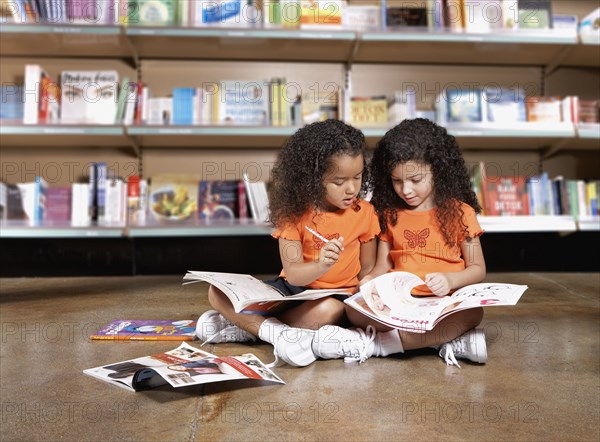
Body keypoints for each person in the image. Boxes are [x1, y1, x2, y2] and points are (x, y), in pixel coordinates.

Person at [196, 119, 390, 367]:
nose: (351, 189)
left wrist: (369, 290)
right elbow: (295, 275)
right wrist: (322, 264)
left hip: (334, 298)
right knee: (216, 291)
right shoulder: (293, 212)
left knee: (329, 312)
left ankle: (251, 328)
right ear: (313, 178)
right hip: (291, 292)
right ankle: (277, 333)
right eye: (339, 182)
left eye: (358, 177)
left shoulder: (365, 212)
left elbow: (366, 270)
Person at [313, 118, 487, 367]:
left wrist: (451, 280)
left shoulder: (461, 212)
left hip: (442, 303)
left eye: (415, 180)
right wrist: (369, 281)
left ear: (438, 170)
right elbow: (382, 267)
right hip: (402, 305)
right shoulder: (389, 214)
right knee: (352, 310)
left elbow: (478, 269)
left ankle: (378, 345)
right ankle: (441, 342)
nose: (406, 190)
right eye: (397, 181)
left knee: (473, 313)